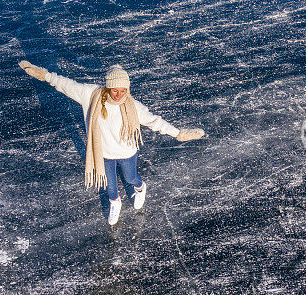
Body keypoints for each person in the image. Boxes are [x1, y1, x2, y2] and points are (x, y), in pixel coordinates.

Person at [19, 60, 204, 226]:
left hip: (127, 153)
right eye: (115, 90)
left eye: (123, 91)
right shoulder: (90, 94)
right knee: (110, 186)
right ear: (108, 87)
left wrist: (178, 133)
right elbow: (67, 85)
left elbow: (155, 121)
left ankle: (140, 188)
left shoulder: (133, 106)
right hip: (103, 154)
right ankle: (115, 203)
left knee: (131, 178)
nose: (118, 95)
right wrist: (45, 75)